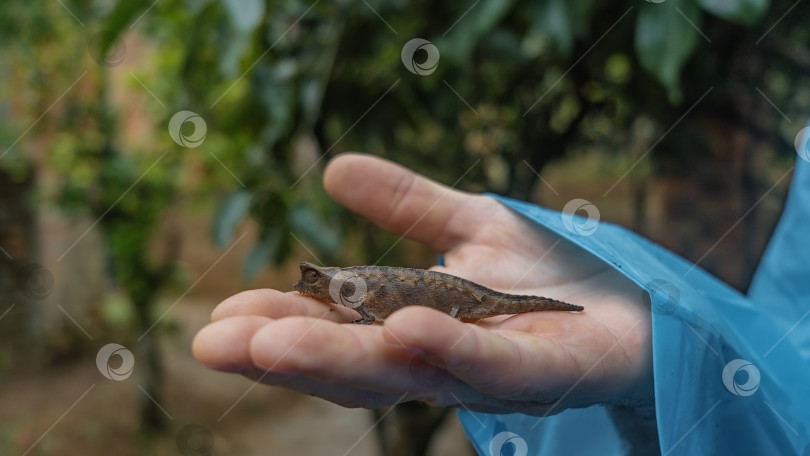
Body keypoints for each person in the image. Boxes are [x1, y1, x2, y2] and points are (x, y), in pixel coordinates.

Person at [193, 150, 810, 455]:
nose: (315, 288)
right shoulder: (350, 286)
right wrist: (671, 371)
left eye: (318, 283)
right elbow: (789, 337)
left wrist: (677, 350)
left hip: (460, 300)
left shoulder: (362, 288)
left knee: (490, 306)